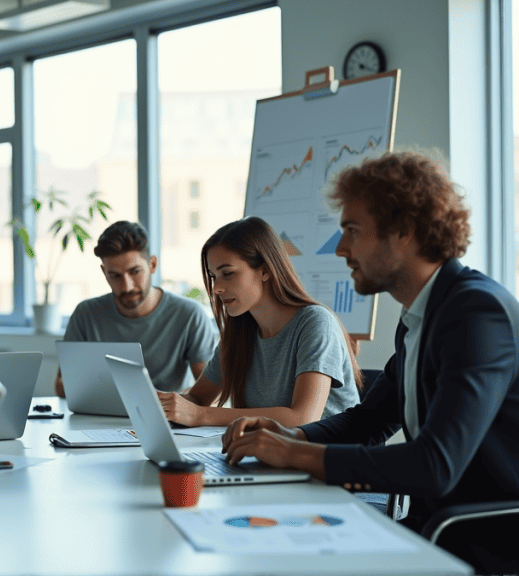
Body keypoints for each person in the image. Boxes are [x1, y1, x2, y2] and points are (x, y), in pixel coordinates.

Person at [222, 152, 519, 572]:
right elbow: (369, 422)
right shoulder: (420, 315)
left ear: (404, 232)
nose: (341, 248)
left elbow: (436, 466)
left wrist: (294, 454)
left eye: (353, 231)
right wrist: (292, 436)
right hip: (433, 527)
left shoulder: (475, 314)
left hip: (480, 539)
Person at [157, 216, 363, 428]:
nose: (217, 288)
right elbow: (198, 400)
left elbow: (302, 418)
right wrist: (163, 403)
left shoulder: (315, 323)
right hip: (271, 454)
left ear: (265, 270)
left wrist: (200, 415)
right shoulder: (238, 333)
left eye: (227, 273)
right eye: (213, 276)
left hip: (327, 456)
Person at [55, 220, 217, 397]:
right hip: (99, 420)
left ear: (152, 265)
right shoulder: (85, 314)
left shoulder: (190, 315)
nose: (127, 287)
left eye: (135, 271)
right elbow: (62, 385)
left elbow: (210, 392)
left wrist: (162, 402)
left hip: (168, 419)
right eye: (115, 275)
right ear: (104, 272)